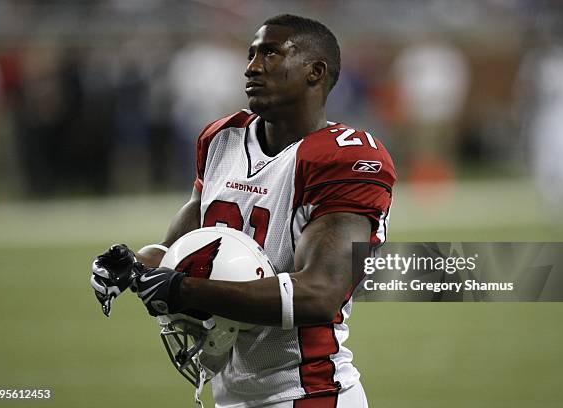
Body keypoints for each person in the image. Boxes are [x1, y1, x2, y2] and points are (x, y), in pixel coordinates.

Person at [91, 14, 395, 408]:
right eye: (251, 54)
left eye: (271, 54)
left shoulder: (345, 159)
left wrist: (184, 290)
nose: (252, 67)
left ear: (314, 72)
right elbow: (176, 252)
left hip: (309, 393)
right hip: (233, 394)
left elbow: (320, 293)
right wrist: (132, 266)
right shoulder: (222, 138)